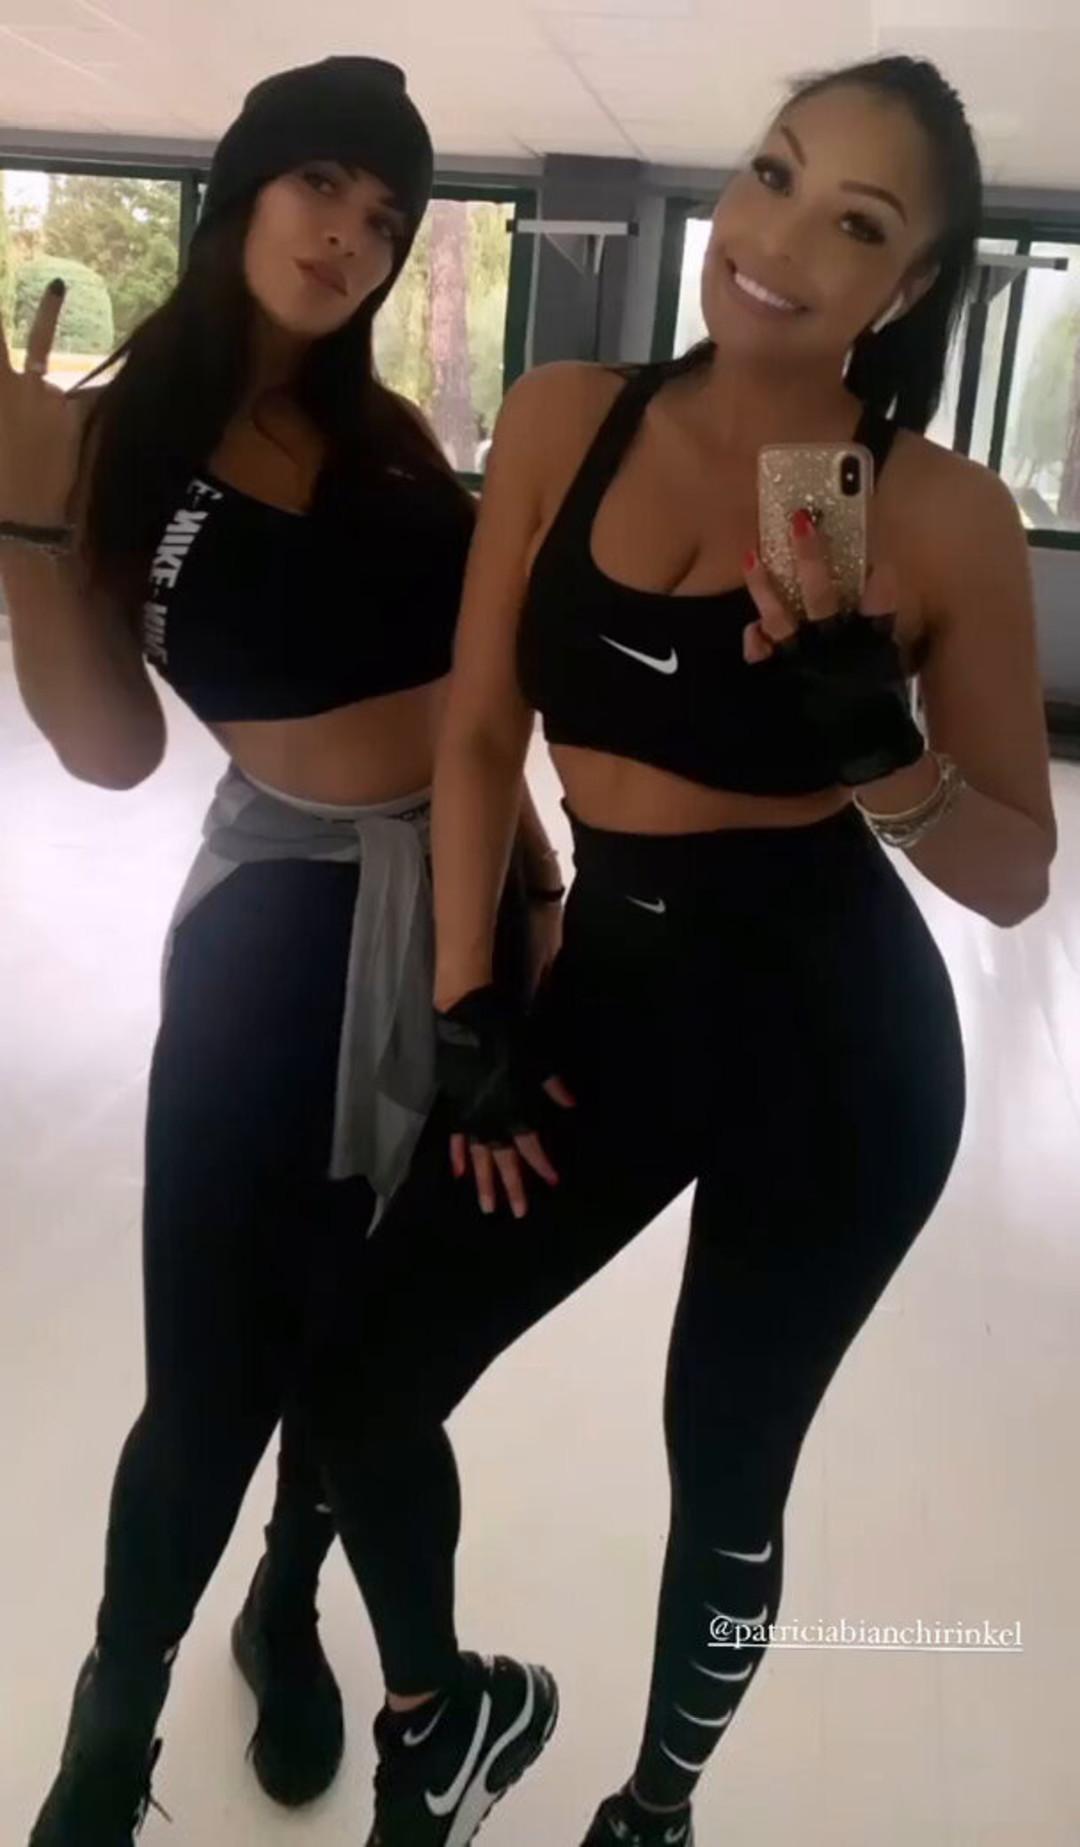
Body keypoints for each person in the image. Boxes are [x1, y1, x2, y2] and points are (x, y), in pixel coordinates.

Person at [281, 53, 1057, 1847]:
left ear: (909, 287)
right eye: (773, 175)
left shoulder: (940, 516)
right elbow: (482, 730)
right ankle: (448, 1714)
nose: (777, 241)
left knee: (725, 1471)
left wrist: (889, 761)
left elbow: (1019, 877)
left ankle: (656, 1810)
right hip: (609, 1007)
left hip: (839, 1056)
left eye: (854, 222)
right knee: (365, 1383)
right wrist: (468, 998)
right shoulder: (567, 416)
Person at [1, 56, 562, 1847]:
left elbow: (478, 718)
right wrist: (23, 516)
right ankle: (108, 1740)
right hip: (275, 935)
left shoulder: (385, 438)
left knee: (364, 1353)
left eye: (388, 218)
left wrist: (534, 909)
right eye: (323, 186)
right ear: (244, 190)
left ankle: (289, 1601)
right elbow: (111, 750)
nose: (351, 238)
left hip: (462, 921)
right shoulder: (112, 446)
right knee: (208, 1382)